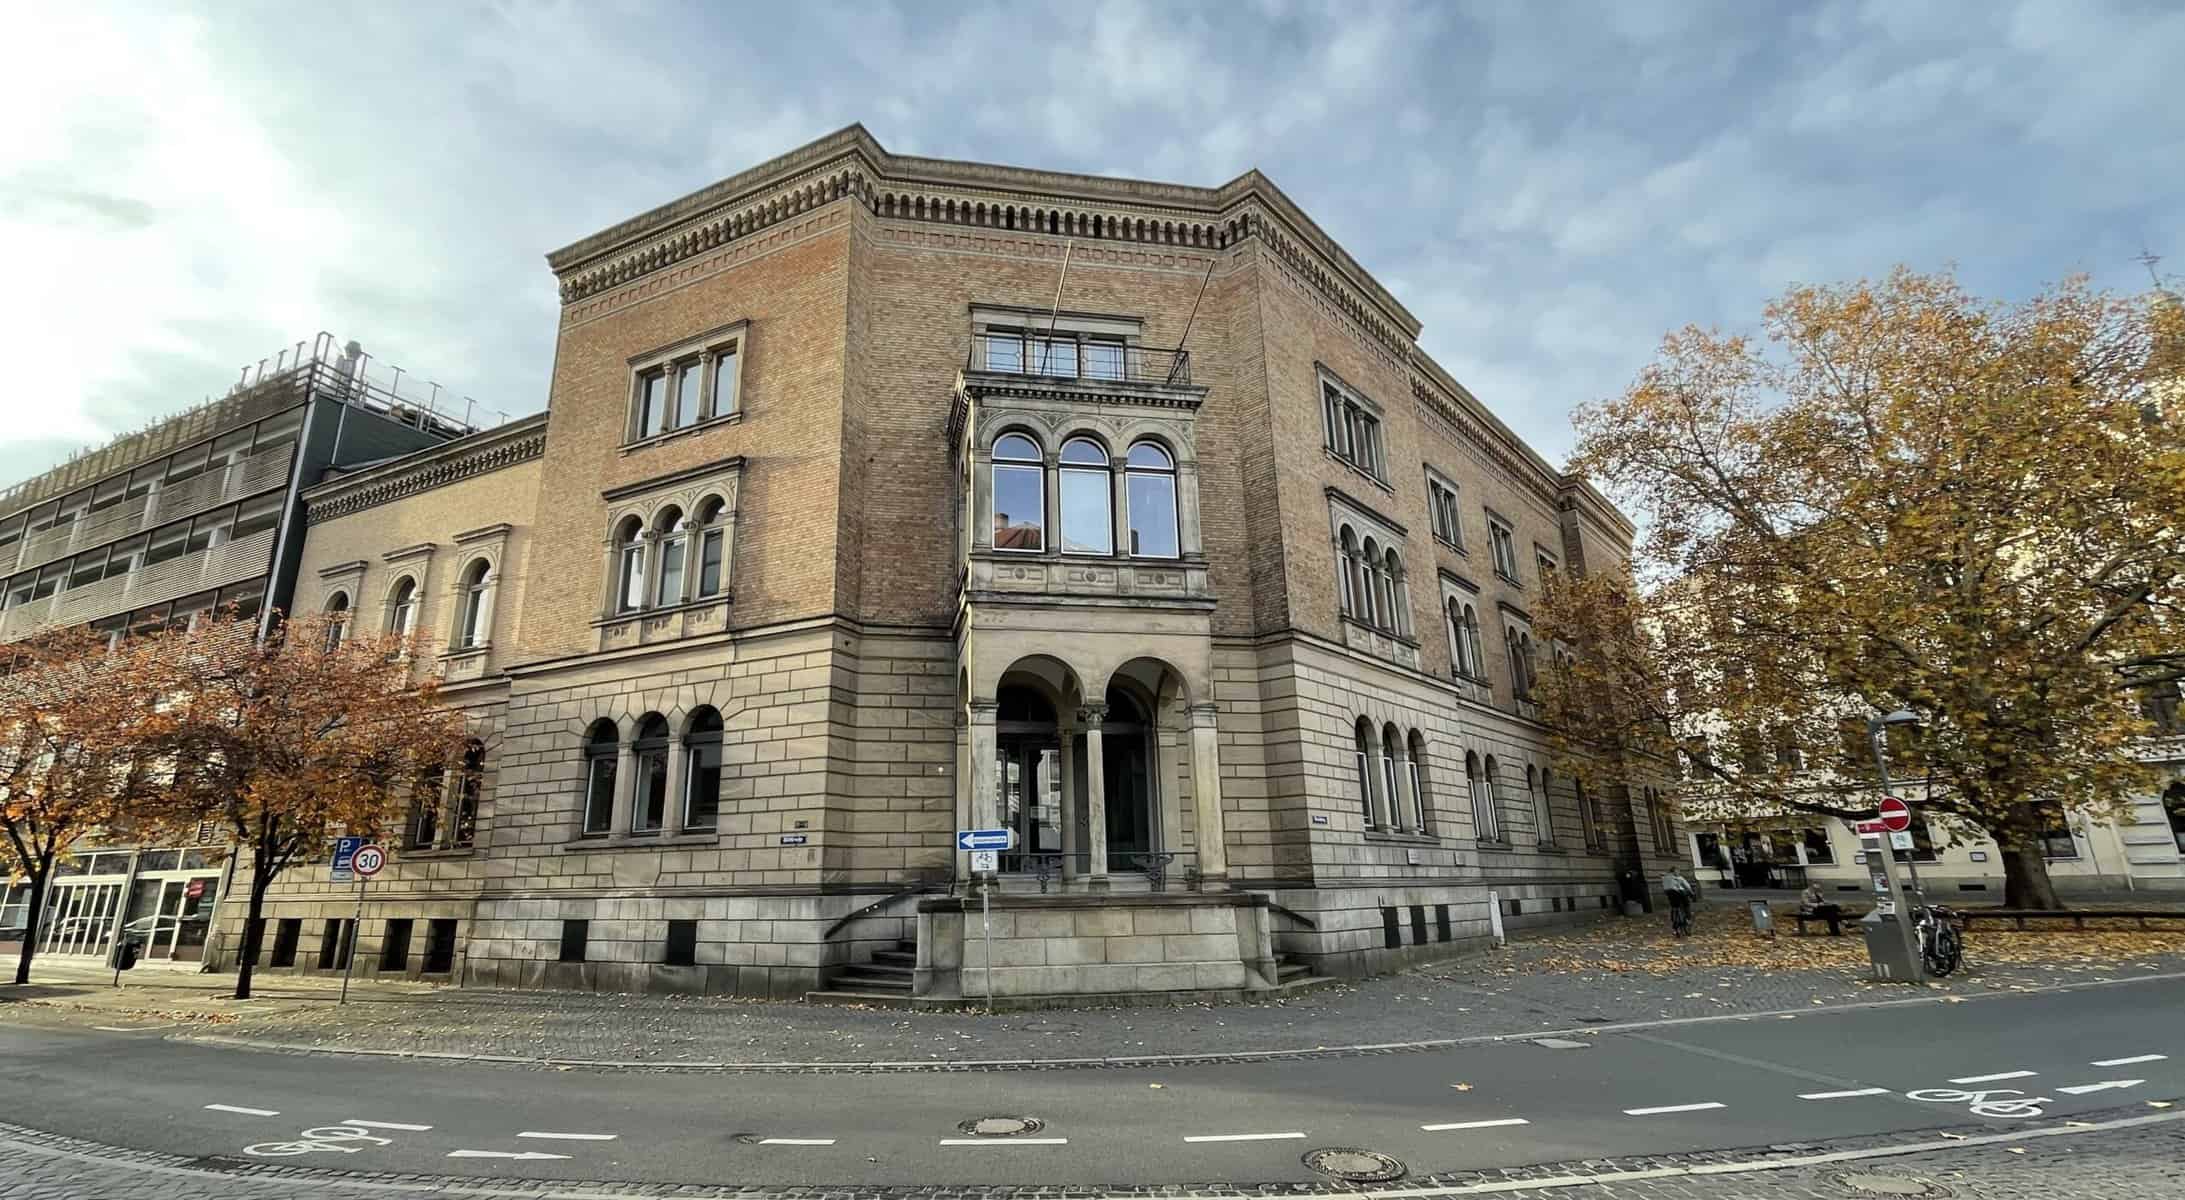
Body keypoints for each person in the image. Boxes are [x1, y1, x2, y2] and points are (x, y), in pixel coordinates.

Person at [1662, 866, 1695, 932]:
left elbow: (1665, 886)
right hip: (1679, 893)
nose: (1679, 872)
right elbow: (1687, 886)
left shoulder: (1665, 877)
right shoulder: (1679, 878)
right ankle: (1688, 919)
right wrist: (1692, 893)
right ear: (1674, 871)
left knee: (1674, 906)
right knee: (1686, 905)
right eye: (1678, 871)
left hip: (1669, 894)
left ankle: (1674, 920)